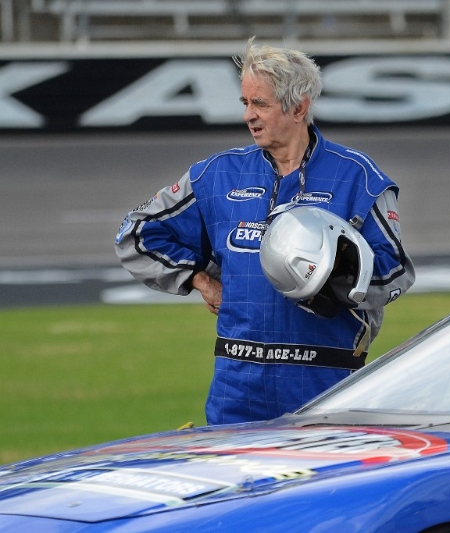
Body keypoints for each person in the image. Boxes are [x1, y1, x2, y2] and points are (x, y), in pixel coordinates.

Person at [115, 38, 415, 425]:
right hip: (236, 390)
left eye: (260, 104)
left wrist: (331, 279)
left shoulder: (359, 178)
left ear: (298, 107)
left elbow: (396, 272)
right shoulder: (217, 175)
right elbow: (136, 234)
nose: (248, 116)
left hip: (326, 386)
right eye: (245, 103)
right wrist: (200, 280)